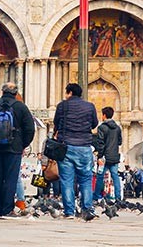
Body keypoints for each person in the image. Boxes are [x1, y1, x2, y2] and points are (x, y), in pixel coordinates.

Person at [0, 82, 34, 218]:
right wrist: (22, 144)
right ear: (15, 93)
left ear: (2, 92)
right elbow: (30, 129)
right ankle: (7, 209)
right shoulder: (21, 107)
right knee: (11, 178)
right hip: (14, 149)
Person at [52, 82, 98, 219]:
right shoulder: (90, 106)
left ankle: (69, 211)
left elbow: (56, 122)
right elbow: (94, 123)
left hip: (66, 146)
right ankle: (87, 209)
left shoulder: (62, 106)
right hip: (84, 146)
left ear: (70, 92)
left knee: (67, 180)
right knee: (85, 179)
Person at [92, 105, 123, 203]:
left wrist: (100, 156)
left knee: (100, 176)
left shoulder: (102, 127)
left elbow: (100, 143)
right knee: (115, 176)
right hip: (114, 156)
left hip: (104, 157)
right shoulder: (117, 128)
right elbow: (120, 142)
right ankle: (118, 198)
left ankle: (96, 196)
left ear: (104, 115)